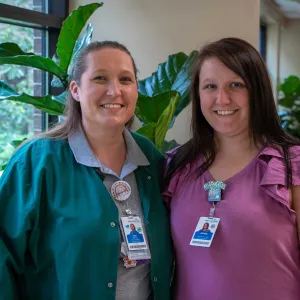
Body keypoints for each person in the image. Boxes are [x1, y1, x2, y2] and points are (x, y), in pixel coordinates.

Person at [0, 41, 173, 300]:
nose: (114, 91)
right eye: (100, 78)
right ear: (76, 89)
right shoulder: (36, 162)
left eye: (125, 79)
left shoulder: (151, 159)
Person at [163, 37, 300, 300]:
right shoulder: (176, 166)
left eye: (236, 85)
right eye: (210, 86)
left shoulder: (291, 164)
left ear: (257, 90)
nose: (222, 98)